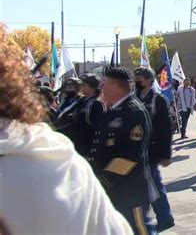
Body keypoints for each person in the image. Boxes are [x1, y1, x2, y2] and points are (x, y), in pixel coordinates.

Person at [0, 23, 132, 234]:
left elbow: (100, 131)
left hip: (88, 155)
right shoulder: (66, 116)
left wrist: (96, 161)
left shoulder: (57, 157)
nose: (73, 88)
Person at [90, 66, 157, 234]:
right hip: (116, 188)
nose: (101, 88)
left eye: (104, 84)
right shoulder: (114, 109)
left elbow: (129, 156)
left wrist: (103, 180)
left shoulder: (133, 111)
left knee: (139, 230)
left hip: (130, 190)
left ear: (116, 86)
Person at [134, 67, 175, 232]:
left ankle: (164, 217)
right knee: (143, 186)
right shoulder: (134, 98)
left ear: (149, 80)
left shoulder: (158, 99)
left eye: (140, 78)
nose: (137, 81)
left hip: (151, 151)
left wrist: (166, 154)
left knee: (154, 186)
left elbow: (166, 129)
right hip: (136, 151)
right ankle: (146, 219)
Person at [56, 73, 106, 158]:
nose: (81, 87)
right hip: (78, 142)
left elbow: (95, 127)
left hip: (88, 145)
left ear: (93, 86)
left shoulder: (96, 103)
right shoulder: (81, 100)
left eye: (84, 85)